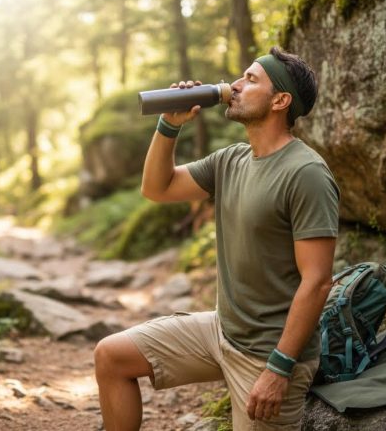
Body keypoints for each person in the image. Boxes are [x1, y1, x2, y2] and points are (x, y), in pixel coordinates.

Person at [94, 46, 340, 431]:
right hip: (220, 331)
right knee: (111, 356)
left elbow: (318, 280)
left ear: (280, 100)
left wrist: (279, 369)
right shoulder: (231, 160)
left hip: (268, 355)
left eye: (251, 79)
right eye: (240, 77)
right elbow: (157, 188)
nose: (235, 86)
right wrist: (169, 125)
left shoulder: (306, 172)